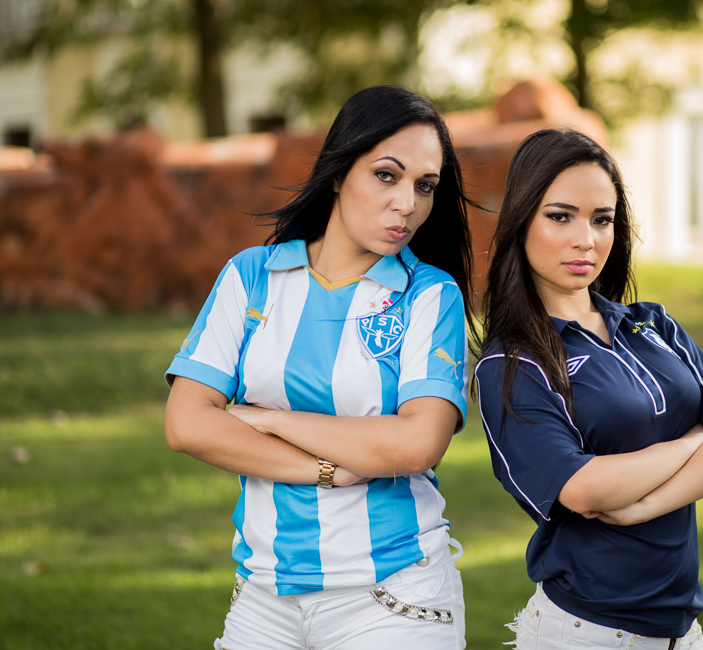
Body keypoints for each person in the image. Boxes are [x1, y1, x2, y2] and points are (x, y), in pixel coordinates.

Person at [164, 86, 476, 650]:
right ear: (337, 173)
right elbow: (187, 424)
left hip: (392, 597)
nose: (408, 202)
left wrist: (264, 419)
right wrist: (331, 469)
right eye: (387, 175)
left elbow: (416, 445)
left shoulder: (430, 295)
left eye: (425, 186)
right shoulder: (251, 275)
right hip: (263, 597)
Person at [474, 128, 703, 650]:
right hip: (584, 633)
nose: (585, 239)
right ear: (522, 220)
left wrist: (642, 507)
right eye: (560, 216)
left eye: (602, 219)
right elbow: (584, 488)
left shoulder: (652, 325)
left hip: (682, 632)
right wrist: (698, 439)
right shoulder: (512, 363)